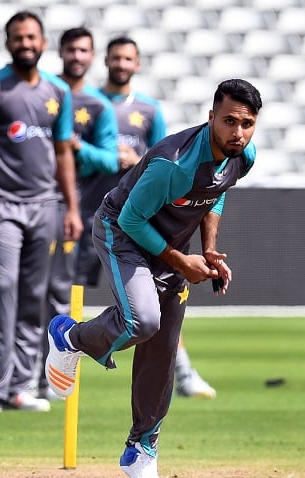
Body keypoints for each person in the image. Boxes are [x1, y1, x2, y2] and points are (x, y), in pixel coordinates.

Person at [45, 79, 261, 478]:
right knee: (142, 320)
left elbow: (215, 194)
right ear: (211, 116)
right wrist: (182, 262)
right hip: (122, 233)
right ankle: (69, 336)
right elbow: (130, 220)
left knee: (161, 353)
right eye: (229, 121)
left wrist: (209, 251)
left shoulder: (242, 156)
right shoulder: (174, 163)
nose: (237, 132)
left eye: (247, 123)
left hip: (170, 247)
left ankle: (141, 450)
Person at [0, 10, 81, 414]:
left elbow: (63, 153)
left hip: (46, 206)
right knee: (4, 288)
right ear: (8, 42)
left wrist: (71, 209)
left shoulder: (58, 92)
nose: (25, 44)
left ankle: (20, 385)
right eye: (18, 38)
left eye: (32, 37)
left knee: (34, 296)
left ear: (43, 43)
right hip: (2, 208)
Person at [98, 36, 217, 400]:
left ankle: (183, 372)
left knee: (156, 301)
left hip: (142, 215)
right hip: (103, 212)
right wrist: (105, 157)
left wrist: (135, 165)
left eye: (128, 58)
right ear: (106, 60)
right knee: (58, 294)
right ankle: (37, 372)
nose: (121, 64)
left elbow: (163, 164)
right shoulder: (87, 104)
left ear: (138, 63)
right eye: (115, 57)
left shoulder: (148, 110)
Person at [31, 26, 119, 399]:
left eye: (84, 50)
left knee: (62, 294)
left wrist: (76, 146)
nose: (77, 57)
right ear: (60, 52)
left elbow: (111, 157)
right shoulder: (45, 92)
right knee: (23, 290)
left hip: (81, 214)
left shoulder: (99, 106)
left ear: (92, 55)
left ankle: (47, 372)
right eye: (71, 50)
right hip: (39, 204)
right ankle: (4, 373)